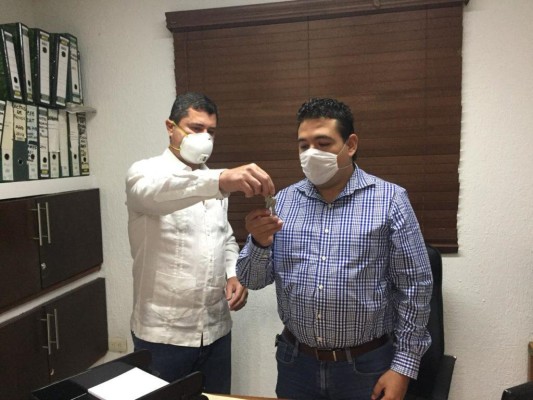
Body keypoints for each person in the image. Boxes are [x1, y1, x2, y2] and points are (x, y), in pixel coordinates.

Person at [236, 97, 433, 400]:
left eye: (323, 143)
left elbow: (415, 287)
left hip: (366, 365)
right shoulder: (282, 202)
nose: (311, 154)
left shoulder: (390, 200)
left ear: (350, 145)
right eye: (304, 146)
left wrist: (404, 367)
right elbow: (251, 279)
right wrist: (259, 243)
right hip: (296, 363)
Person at [126, 92, 275, 393]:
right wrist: (220, 181)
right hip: (162, 336)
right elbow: (155, 195)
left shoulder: (215, 185)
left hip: (216, 330)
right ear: (171, 127)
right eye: (196, 128)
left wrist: (233, 273)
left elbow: (225, 237)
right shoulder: (145, 173)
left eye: (211, 131)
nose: (205, 138)